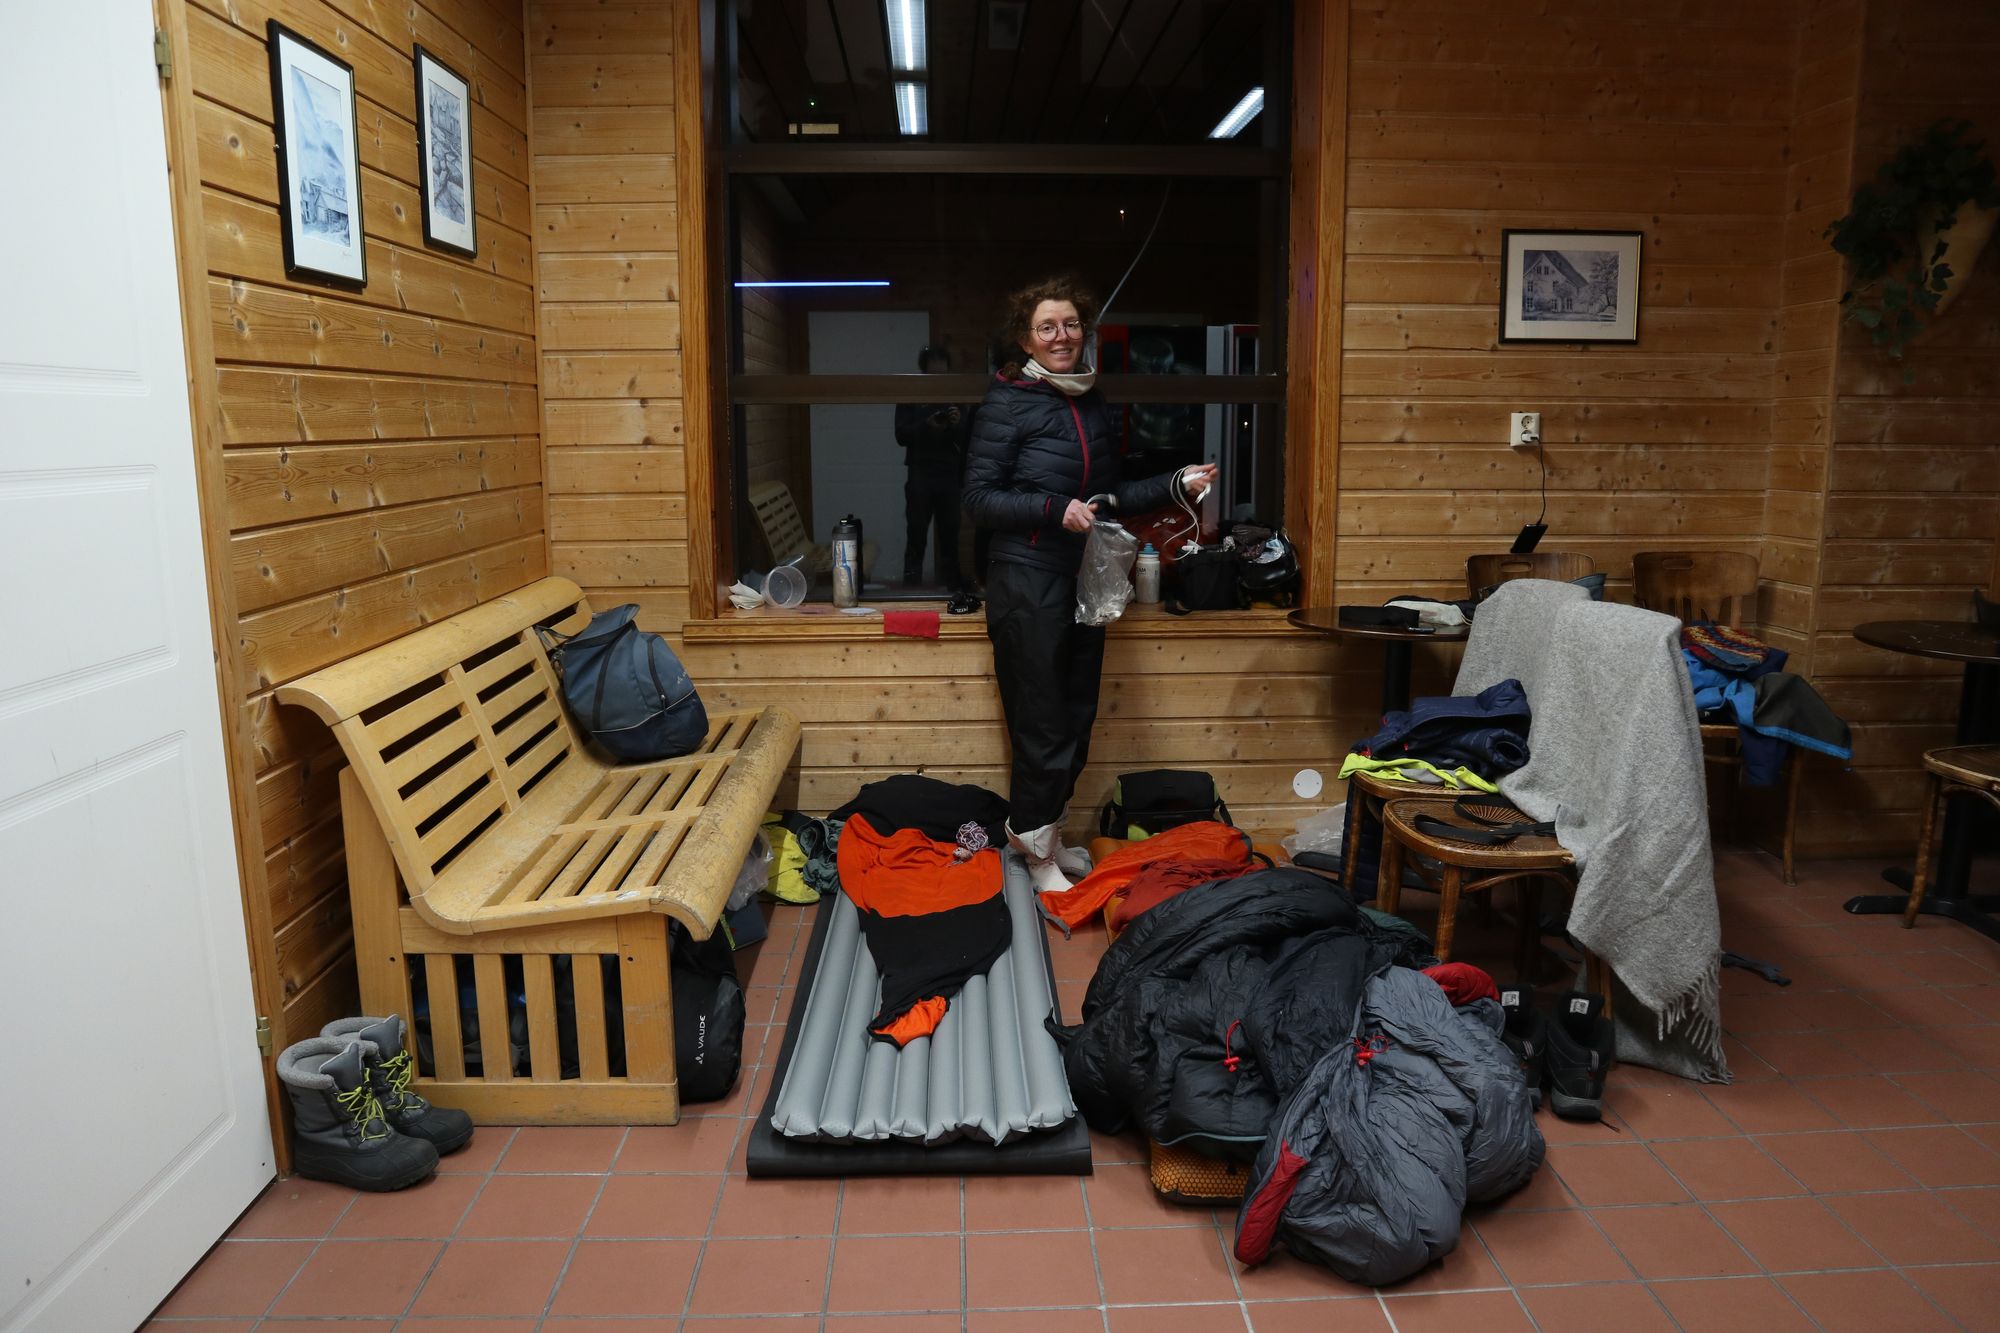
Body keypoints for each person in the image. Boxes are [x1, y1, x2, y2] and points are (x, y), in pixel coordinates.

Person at [962, 277, 1218, 893]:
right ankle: (1035, 849)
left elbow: (1111, 497)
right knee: (1042, 723)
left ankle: (1042, 836)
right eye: (1047, 326)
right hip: (1025, 580)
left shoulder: (1089, 399)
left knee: (1076, 717)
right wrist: (1055, 509)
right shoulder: (1008, 403)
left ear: (1085, 332)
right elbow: (978, 498)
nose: (1061, 336)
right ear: (1027, 337)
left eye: (1071, 325)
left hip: (1082, 580)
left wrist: (1175, 482)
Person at [892, 345, 970, 588]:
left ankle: (952, 592)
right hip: (920, 473)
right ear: (924, 371)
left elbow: (969, 439)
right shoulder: (911, 394)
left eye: (942, 373)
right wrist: (926, 424)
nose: (938, 378)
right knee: (916, 536)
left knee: (950, 538)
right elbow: (901, 435)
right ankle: (910, 590)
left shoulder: (957, 395)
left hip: (949, 474)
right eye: (933, 373)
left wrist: (957, 424)